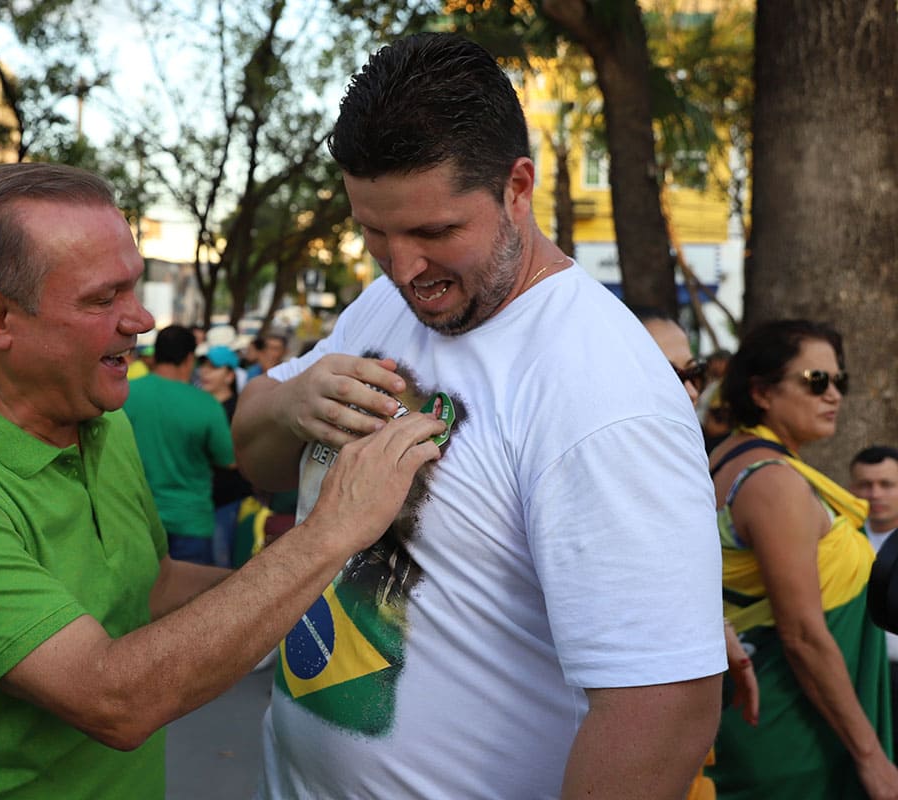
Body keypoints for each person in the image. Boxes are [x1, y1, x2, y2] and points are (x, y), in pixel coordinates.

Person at [0, 161, 444, 799]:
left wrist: (317, 601)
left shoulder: (101, 422)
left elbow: (151, 585)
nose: (141, 320)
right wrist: (331, 532)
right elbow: (113, 700)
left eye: (133, 287)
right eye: (103, 298)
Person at [233, 32, 724, 799]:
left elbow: (665, 709)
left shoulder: (602, 392)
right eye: (374, 232)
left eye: (434, 233)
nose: (401, 270)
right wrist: (295, 404)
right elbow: (255, 459)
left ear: (517, 189)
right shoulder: (381, 304)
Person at [706, 320, 896, 798]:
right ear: (762, 391)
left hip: (783, 716)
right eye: (816, 381)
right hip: (794, 728)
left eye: (839, 381)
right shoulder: (772, 481)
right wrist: (871, 756)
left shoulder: (730, 458)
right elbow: (803, 635)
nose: (833, 395)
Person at [635, 307, 760, 800]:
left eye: (694, 373)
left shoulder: (675, 456)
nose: (690, 391)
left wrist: (719, 629)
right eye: (667, 372)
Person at [123, 324, 235, 565]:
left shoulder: (125, 395)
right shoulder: (206, 405)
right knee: (190, 600)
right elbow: (228, 459)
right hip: (191, 522)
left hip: (135, 519)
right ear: (188, 359)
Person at [851, 444, 898, 753]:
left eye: (886, 484)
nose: (874, 494)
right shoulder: (840, 541)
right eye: (865, 485)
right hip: (858, 673)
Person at [198, 344, 256, 567]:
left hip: (228, 501)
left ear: (230, 375)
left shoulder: (239, 410)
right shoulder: (200, 404)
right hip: (202, 501)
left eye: (213, 367)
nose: (205, 372)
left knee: (221, 564)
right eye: (203, 366)